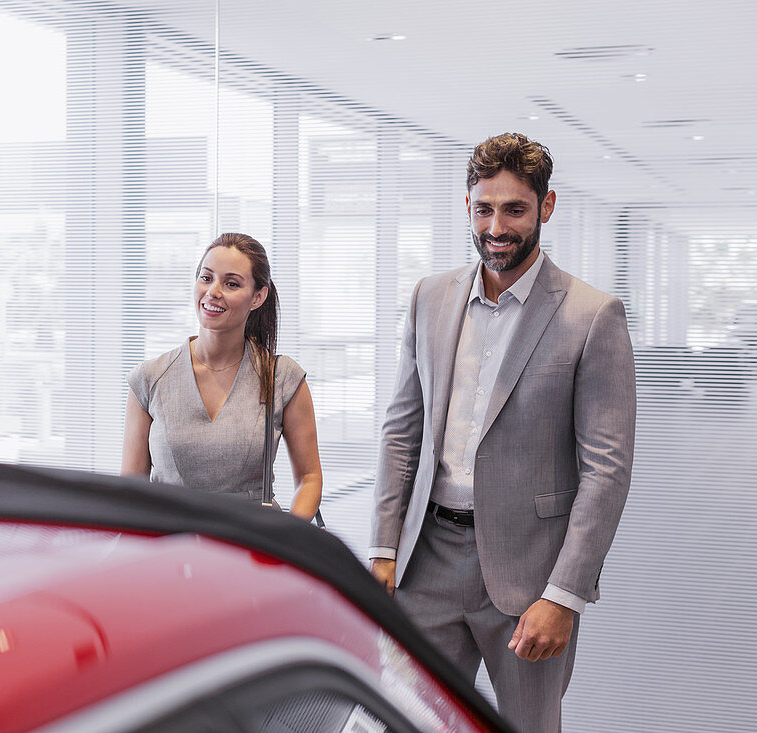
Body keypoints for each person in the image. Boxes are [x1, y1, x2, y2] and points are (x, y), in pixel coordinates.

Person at [369, 133, 636, 732]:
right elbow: (401, 429)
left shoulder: (591, 315)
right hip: (426, 562)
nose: (496, 226)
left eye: (514, 209)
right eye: (483, 208)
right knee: (409, 720)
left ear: (547, 206)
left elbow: (606, 470)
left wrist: (563, 595)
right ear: (467, 206)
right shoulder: (429, 297)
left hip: (530, 577)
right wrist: (384, 548)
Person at [121, 233, 322, 519]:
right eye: (206, 278)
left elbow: (310, 477)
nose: (213, 291)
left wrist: (284, 540)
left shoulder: (282, 377)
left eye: (231, 283)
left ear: (258, 296)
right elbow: (131, 489)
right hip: (170, 545)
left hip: (254, 547)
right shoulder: (150, 379)